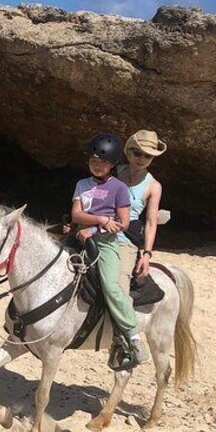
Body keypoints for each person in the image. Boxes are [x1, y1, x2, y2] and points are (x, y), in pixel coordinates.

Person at [71, 133, 149, 368]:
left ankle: (133, 337)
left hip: (106, 243)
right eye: (94, 160)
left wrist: (97, 228)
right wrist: (101, 220)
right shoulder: (82, 184)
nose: (97, 164)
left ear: (113, 164)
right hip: (80, 236)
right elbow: (76, 214)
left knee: (112, 287)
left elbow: (123, 222)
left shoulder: (119, 188)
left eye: (103, 162)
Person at [115, 130, 166, 279]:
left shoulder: (154, 186)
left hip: (124, 240)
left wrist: (147, 254)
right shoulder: (112, 172)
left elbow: (151, 221)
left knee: (119, 282)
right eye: (137, 153)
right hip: (97, 230)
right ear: (128, 152)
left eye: (148, 155)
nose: (142, 159)